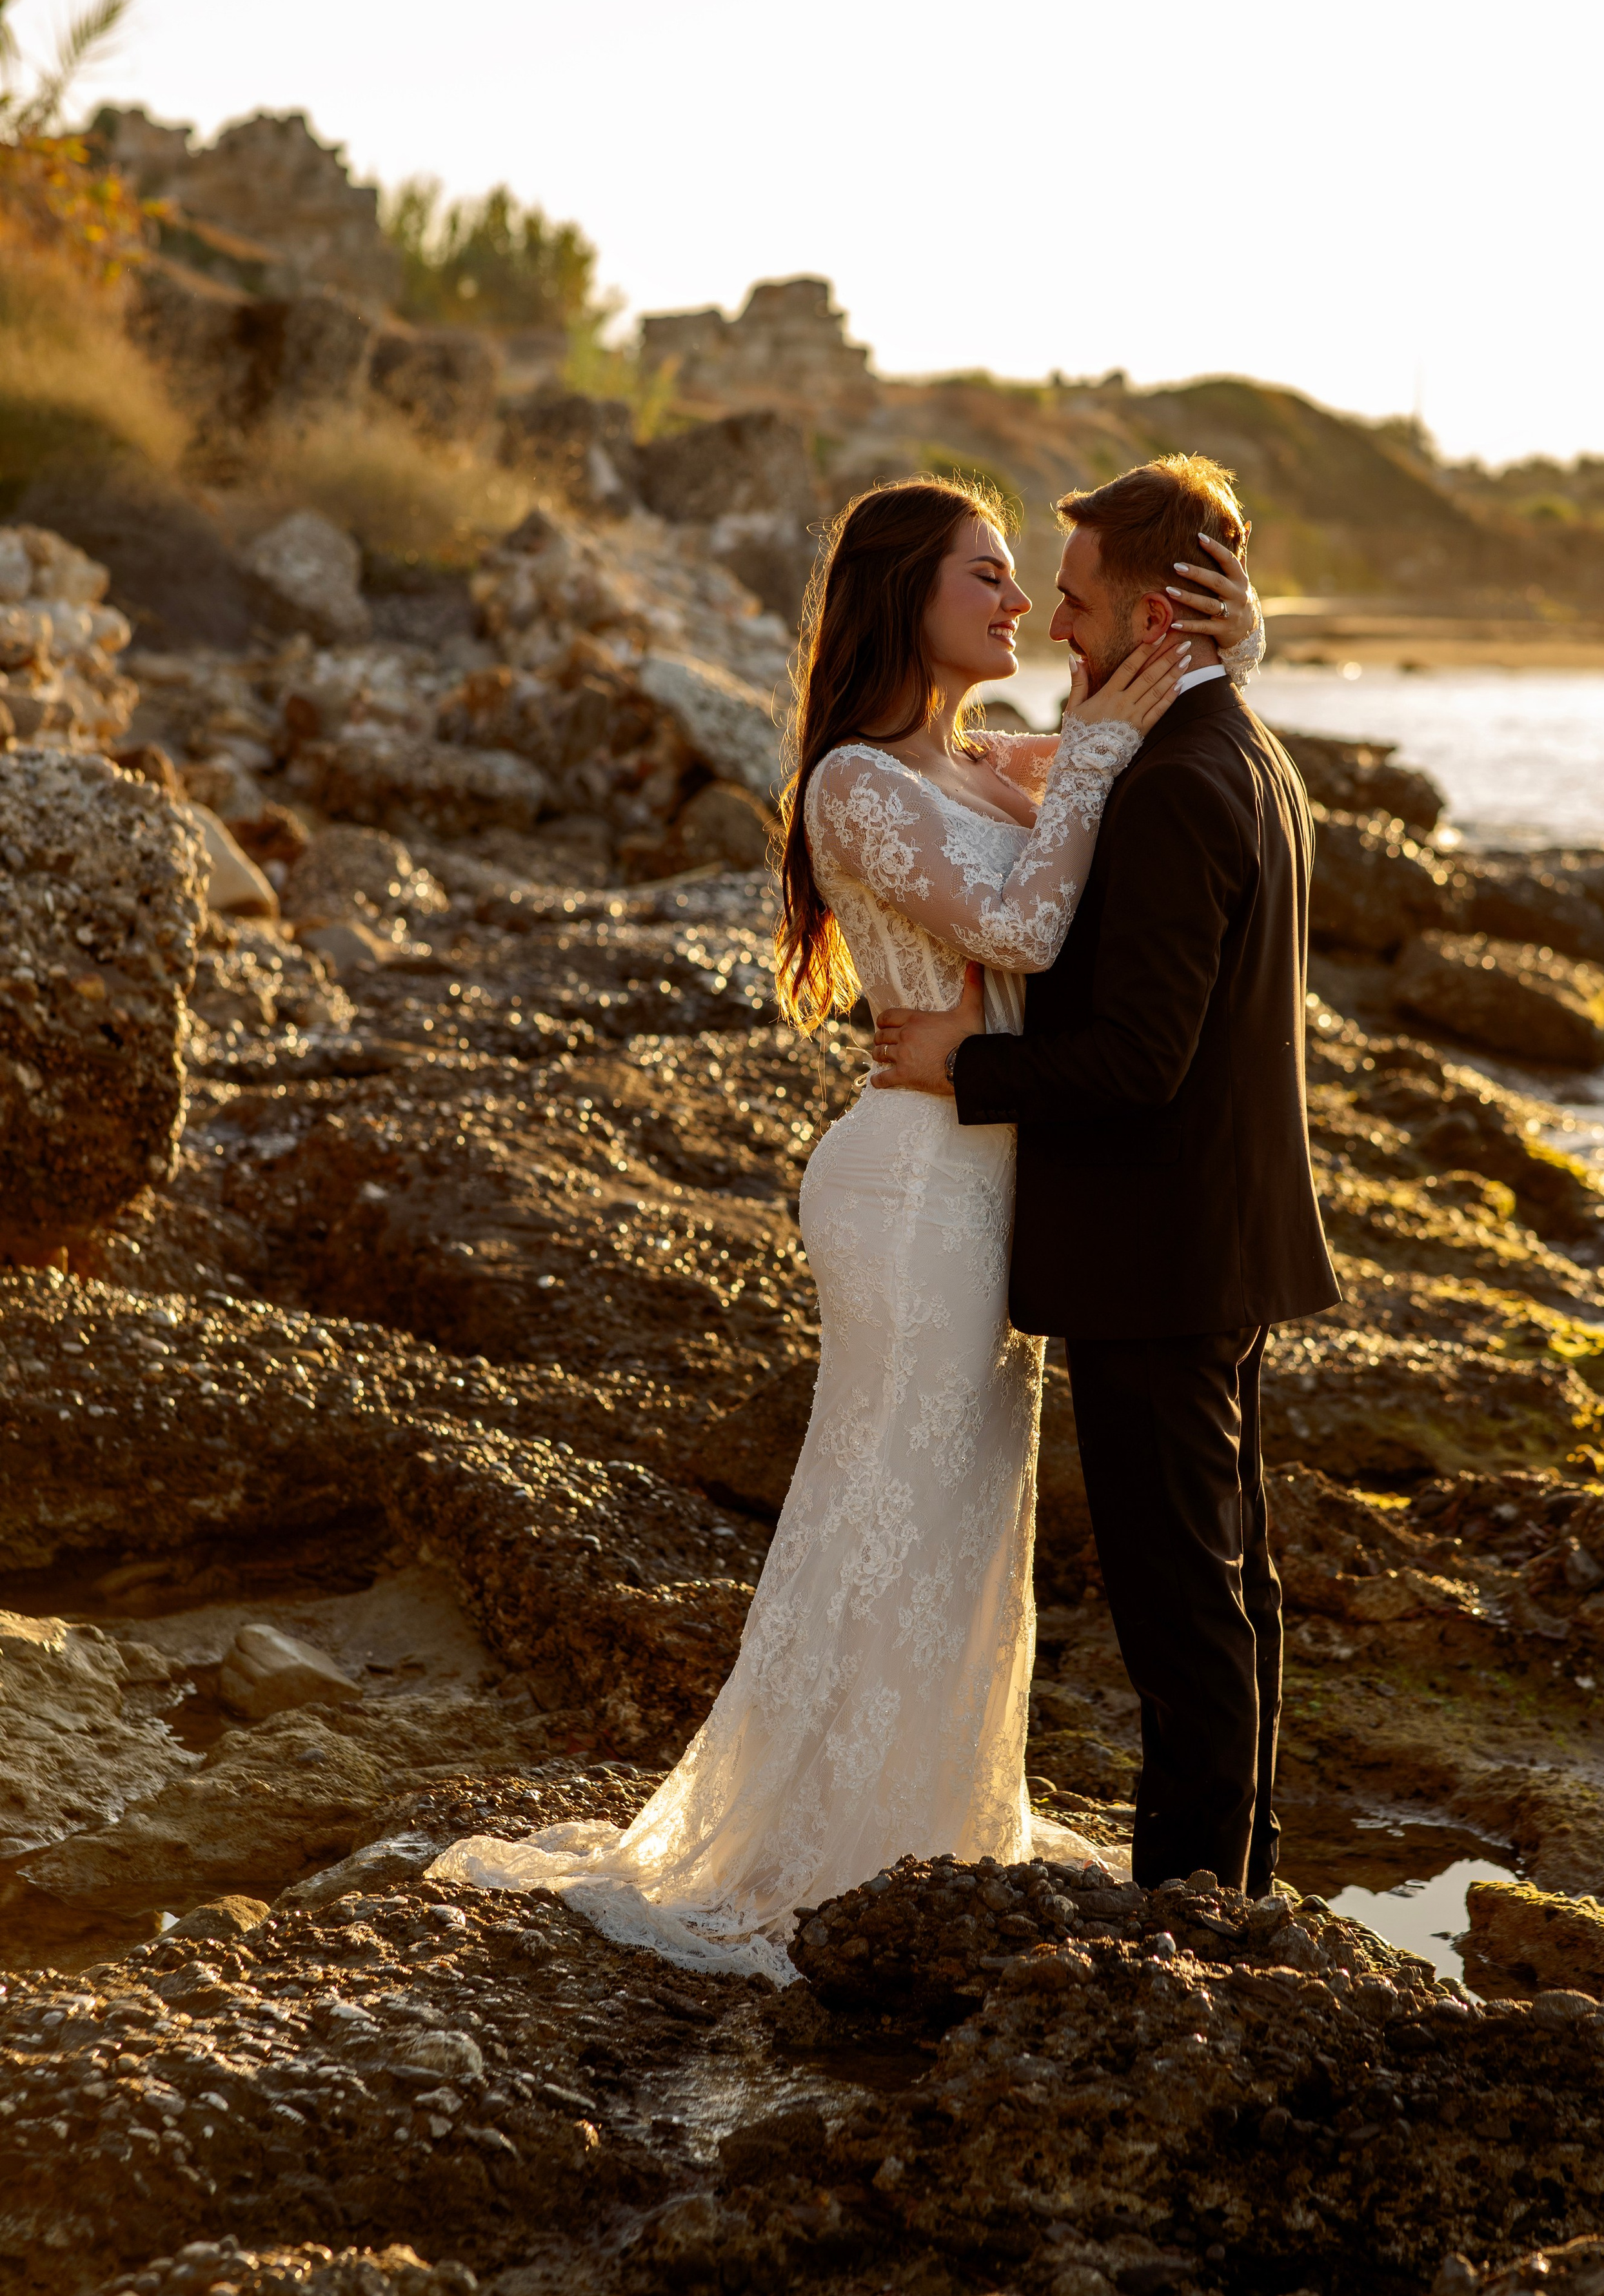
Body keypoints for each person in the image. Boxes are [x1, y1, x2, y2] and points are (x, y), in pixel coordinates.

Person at [432, 473, 1265, 1976]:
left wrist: (1220, 651)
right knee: (883, 1497)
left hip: (989, 1178)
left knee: (952, 1510)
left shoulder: (989, 762)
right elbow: (1024, 924)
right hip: (912, 1184)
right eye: (988, 578)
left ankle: (926, 1818)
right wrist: (1095, 755)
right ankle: (820, 1845)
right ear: (903, 596)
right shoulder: (854, 786)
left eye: (1032, 583)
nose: (1020, 608)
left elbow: (1148, 741)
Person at [870, 457, 1340, 1899]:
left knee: (1180, 1614)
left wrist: (965, 1068)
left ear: (1153, 618)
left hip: (1158, 1254)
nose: (1052, 624)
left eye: (1073, 602)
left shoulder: (1179, 787)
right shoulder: (1230, 744)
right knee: (1227, 1588)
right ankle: (1237, 1894)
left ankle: (1190, 1918)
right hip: (1206, 1243)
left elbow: (1138, 1059)